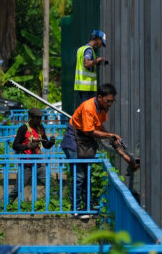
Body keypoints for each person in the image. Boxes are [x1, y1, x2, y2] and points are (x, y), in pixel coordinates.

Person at [61, 83, 135, 220]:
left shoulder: (101, 108)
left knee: (86, 174)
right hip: (73, 141)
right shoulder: (89, 107)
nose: (110, 104)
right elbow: (89, 130)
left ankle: (87, 206)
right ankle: (75, 209)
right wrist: (109, 135)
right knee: (79, 176)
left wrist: (112, 136)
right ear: (100, 97)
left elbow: (99, 126)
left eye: (112, 101)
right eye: (108, 101)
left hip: (84, 142)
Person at [10, 108, 54, 205]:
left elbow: (46, 145)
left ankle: (55, 204)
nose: (39, 121)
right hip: (26, 164)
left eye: (40, 118)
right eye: (37, 118)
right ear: (30, 117)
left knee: (52, 184)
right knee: (18, 188)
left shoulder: (41, 127)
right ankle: (5, 205)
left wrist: (51, 142)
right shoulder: (23, 129)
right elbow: (15, 145)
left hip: (39, 163)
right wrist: (27, 146)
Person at [73, 30, 107, 107]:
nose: (100, 46)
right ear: (97, 39)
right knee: (88, 110)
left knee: (88, 110)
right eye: (101, 43)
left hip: (83, 87)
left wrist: (97, 63)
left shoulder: (82, 49)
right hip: (86, 88)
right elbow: (86, 63)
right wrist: (97, 60)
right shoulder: (88, 50)